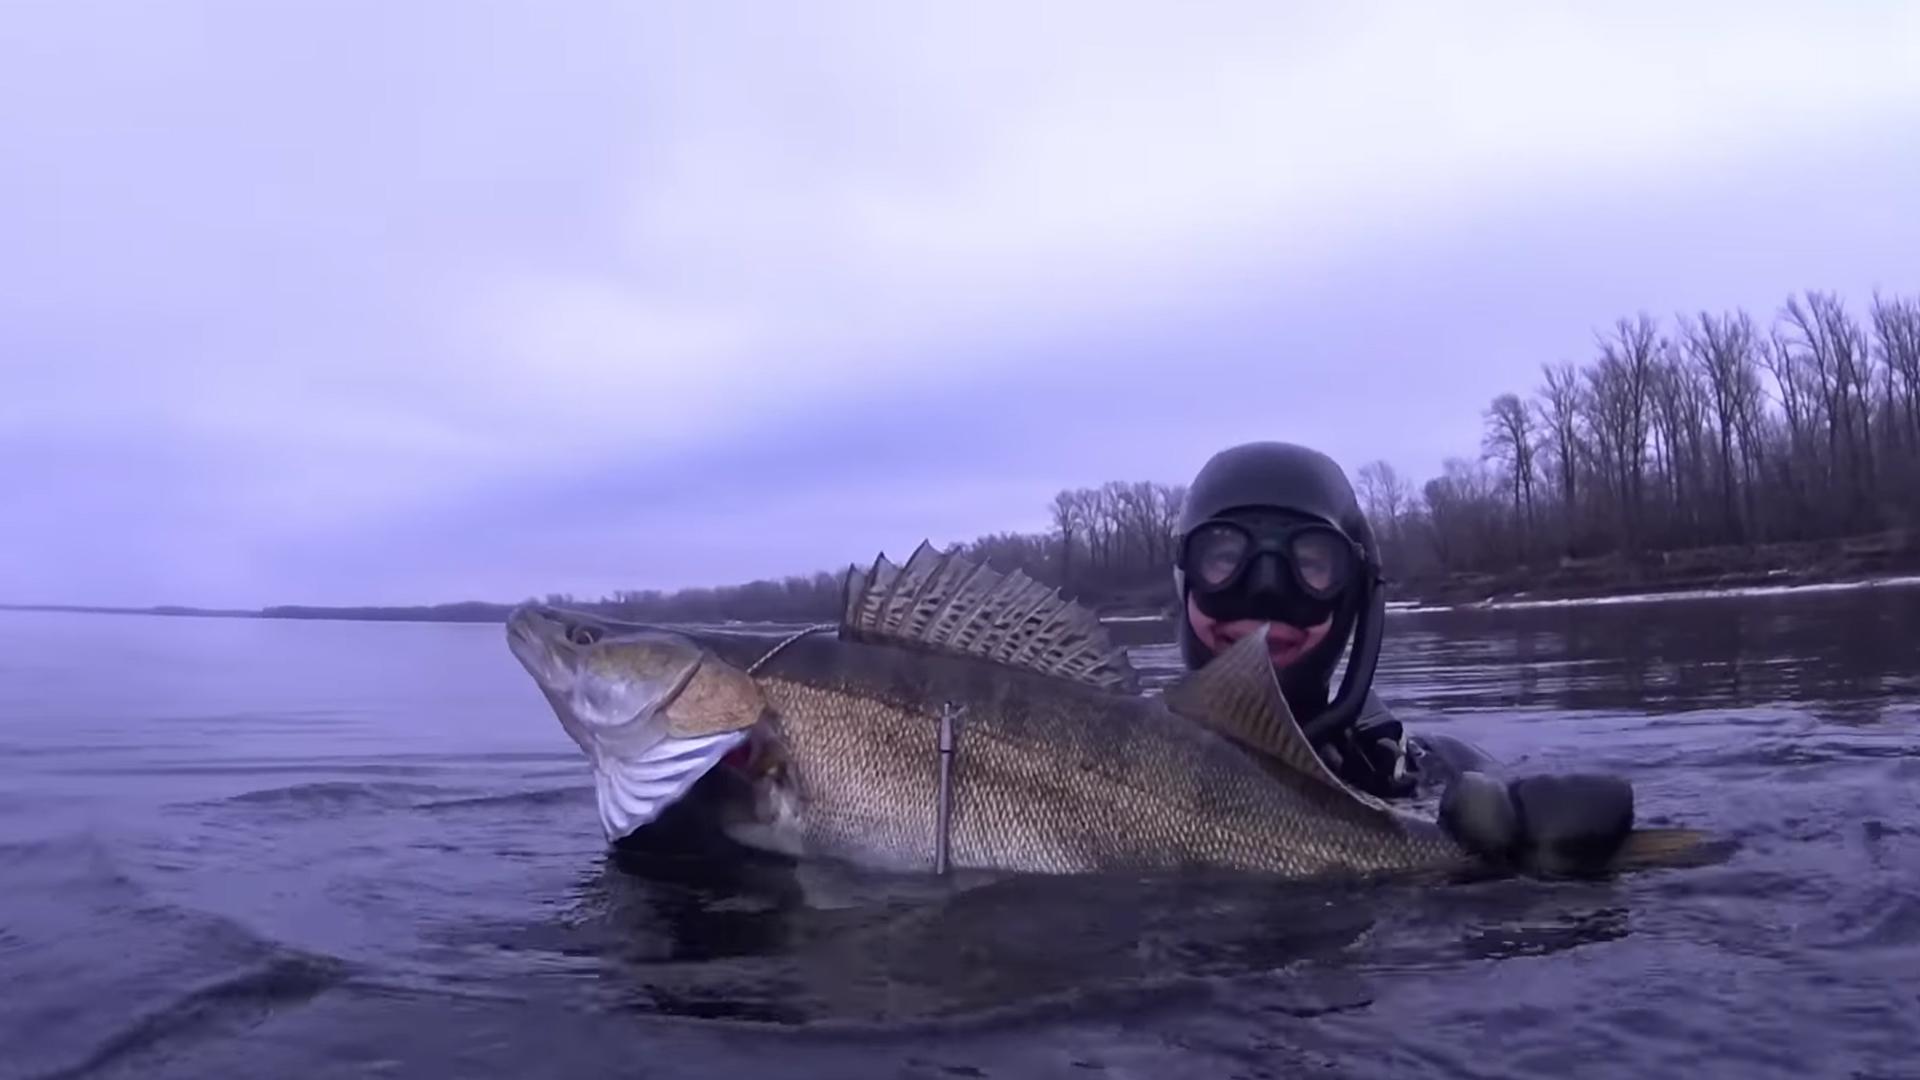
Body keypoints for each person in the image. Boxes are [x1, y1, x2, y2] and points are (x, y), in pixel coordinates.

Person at [1173, 440, 1636, 873]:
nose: (1266, 591)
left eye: (1312, 562)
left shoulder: (1434, 773)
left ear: (1356, 593)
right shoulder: (1104, 752)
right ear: (1184, 580)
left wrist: (1528, 851)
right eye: (1223, 556)